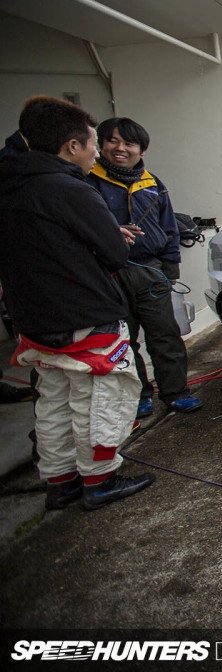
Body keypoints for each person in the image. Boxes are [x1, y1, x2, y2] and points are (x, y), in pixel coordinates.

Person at [0, 98, 154, 510]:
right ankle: (100, 480)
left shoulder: (10, 184)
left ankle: (61, 482)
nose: (95, 154)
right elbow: (115, 255)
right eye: (93, 145)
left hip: (33, 319)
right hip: (86, 316)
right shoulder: (70, 188)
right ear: (72, 146)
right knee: (100, 399)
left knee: (52, 402)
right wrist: (112, 236)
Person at [89, 117, 199, 416]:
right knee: (122, 340)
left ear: (141, 149)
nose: (120, 148)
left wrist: (170, 269)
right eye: (113, 141)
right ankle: (138, 395)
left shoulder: (153, 184)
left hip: (150, 271)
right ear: (101, 144)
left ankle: (176, 392)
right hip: (108, 273)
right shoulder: (88, 181)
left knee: (165, 335)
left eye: (129, 143)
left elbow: (169, 229)